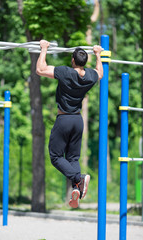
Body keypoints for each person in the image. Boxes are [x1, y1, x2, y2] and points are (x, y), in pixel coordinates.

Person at [36, 40, 103, 208]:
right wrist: (98, 54)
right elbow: (100, 73)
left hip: (64, 119)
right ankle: (77, 188)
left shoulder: (66, 72)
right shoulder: (89, 76)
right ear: (84, 62)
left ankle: (78, 178)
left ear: (73, 60)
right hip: (77, 121)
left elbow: (40, 69)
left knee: (56, 156)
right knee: (72, 157)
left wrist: (44, 48)